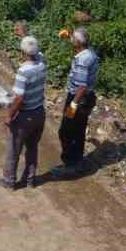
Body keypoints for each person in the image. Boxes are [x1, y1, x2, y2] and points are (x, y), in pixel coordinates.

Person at [0, 36, 47, 189]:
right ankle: (30, 179)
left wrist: (9, 115)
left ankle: (9, 181)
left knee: (13, 150)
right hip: (39, 112)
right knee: (32, 147)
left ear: (22, 53)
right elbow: (36, 51)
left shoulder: (23, 71)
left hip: (25, 117)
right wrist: (25, 35)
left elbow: (19, 98)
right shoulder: (42, 63)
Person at [52, 28, 99, 177]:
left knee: (66, 132)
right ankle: (77, 162)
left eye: (73, 39)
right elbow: (80, 45)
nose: (71, 40)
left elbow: (82, 86)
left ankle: (71, 165)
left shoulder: (82, 60)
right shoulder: (90, 52)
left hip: (78, 99)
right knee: (78, 131)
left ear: (78, 43)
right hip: (86, 99)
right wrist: (69, 37)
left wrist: (73, 105)